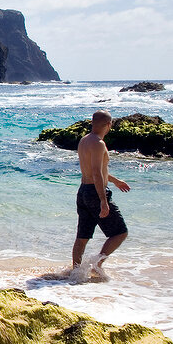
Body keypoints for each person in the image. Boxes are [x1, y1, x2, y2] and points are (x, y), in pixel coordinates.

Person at [71, 109, 130, 279]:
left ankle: (75, 274)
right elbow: (96, 173)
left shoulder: (84, 141)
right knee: (120, 232)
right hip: (95, 193)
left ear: (92, 123)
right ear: (108, 125)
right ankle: (96, 265)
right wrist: (103, 200)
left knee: (82, 236)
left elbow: (93, 170)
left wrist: (115, 180)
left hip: (83, 191)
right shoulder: (98, 143)